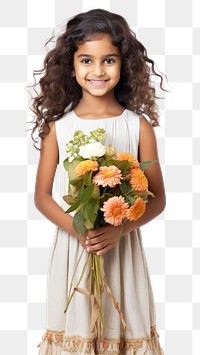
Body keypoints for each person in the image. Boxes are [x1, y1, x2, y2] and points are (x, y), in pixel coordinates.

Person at [31, 8, 166, 355]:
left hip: (122, 247)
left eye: (109, 60)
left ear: (123, 66)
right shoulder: (58, 128)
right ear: (71, 66)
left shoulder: (138, 126)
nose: (98, 70)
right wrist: (79, 229)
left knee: (122, 324)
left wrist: (118, 230)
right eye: (86, 60)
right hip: (76, 248)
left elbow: (158, 198)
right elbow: (43, 197)